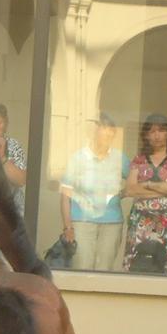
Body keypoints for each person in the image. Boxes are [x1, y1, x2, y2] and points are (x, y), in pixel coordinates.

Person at [59, 112, 129, 271]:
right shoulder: (78, 158)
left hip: (112, 223)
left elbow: (134, 181)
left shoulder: (119, 158)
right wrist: (67, 227)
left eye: (111, 131)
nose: (108, 134)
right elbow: (65, 196)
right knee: (82, 267)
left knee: (105, 269)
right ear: (93, 132)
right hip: (82, 221)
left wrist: (122, 193)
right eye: (104, 129)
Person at [122, 113, 167, 274]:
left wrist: (148, 185)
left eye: (161, 130)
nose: (157, 135)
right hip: (141, 221)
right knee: (138, 262)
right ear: (146, 136)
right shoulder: (139, 159)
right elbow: (130, 189)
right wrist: (164, 189)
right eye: (152, 131)